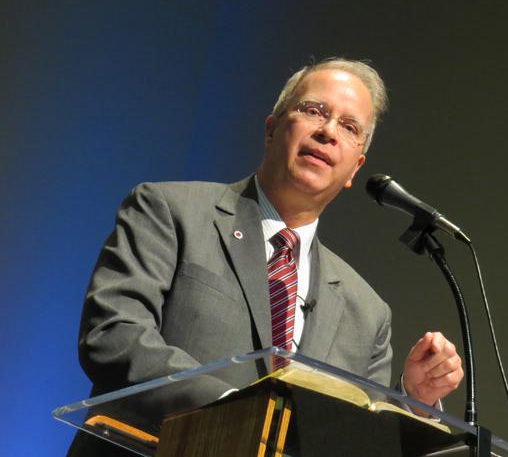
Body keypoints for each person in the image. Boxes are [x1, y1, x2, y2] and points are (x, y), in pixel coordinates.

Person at [68, 58, 463, 455]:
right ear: (272, 129)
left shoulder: (368, 314)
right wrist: (236, 412)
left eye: (349, 127)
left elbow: (360, 437)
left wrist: (415, 399)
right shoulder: (169, 211)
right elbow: (114, 336)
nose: (328, 132)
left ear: (353, 171)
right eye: (314, 111)